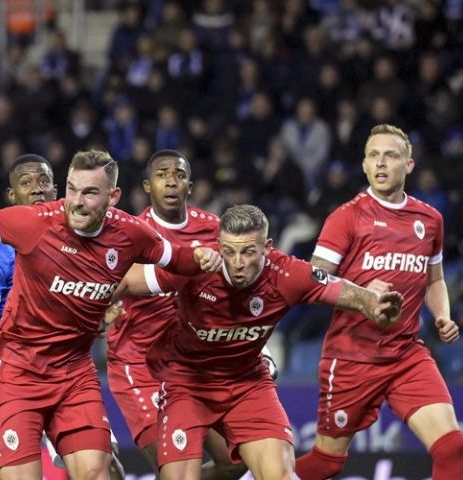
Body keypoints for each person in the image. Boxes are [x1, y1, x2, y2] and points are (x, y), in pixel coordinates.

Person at [0, 150, 222, 480]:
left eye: (90, 193)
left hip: (73, 371)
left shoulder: (130, 233)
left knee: (102, 473)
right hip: (17, 370)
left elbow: (176, 259)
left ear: (113, 197)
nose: (77, 202)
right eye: (72, 189)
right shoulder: (29, 223)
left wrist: (201, 259)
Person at [117, 204, 403, 480]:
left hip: (247, 385)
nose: (238, 263)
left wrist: (371, 304)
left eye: (248, 252)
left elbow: (337, 288)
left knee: (280, 475)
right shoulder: (197, 265)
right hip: (186, 383)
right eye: (229, 251)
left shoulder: (287, 274)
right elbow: (127, 282)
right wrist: (96, 308)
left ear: (267, 247)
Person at [295, 124, 462, 479]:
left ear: (409, 164)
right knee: (326, 463)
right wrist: (361, 293)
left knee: (453, 448)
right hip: (352, 356)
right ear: (365, 166)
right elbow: (312, 281)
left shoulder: (430, 220)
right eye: (374, 156)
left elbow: (434, 278)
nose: (381, 163)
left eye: (391, 155)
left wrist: (443, 315)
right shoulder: (347, 217)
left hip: (405, 354)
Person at [106, 150, 277, 479]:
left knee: (236, 460)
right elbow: (108, 285)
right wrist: (103, 309)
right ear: (147, 186)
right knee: (181, 468)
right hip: (139, 365)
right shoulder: (131, 235)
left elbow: (243, 296)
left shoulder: (215, 230)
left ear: (190, 185)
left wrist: (263, 351)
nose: (171, 180)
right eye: (161, 174)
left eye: (179, 174)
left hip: (195, 365)